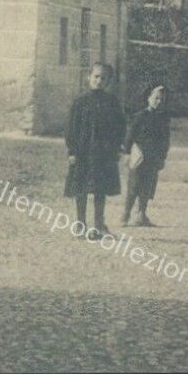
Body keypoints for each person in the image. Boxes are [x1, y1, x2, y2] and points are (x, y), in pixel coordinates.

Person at [65, 62, 127, 241]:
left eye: (103, 78)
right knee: (81, 188)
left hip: (103, 153)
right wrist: (72, 151)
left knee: (100, 189)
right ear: (89, 77)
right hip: (83, 152)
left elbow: (120, 127)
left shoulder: (112, 103)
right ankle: (80, 223)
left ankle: (98, 225)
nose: (99, 81)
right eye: (96, 77)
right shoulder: (80, 102)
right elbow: (71, 128)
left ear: (108, 81)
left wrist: (117, 148)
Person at [121, 83, 173, 227]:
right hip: (139, 156)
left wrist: (162, 157)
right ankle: (125, 214)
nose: (158, 102)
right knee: (134, 185)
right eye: (156, 98)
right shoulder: (139, 117)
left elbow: (165, 140)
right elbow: (129, 136)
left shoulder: (163, 119)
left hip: (153, 157)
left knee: (148, 186)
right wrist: (126, 153)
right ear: (149, 98)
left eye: (162, 99)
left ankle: (141, 214)